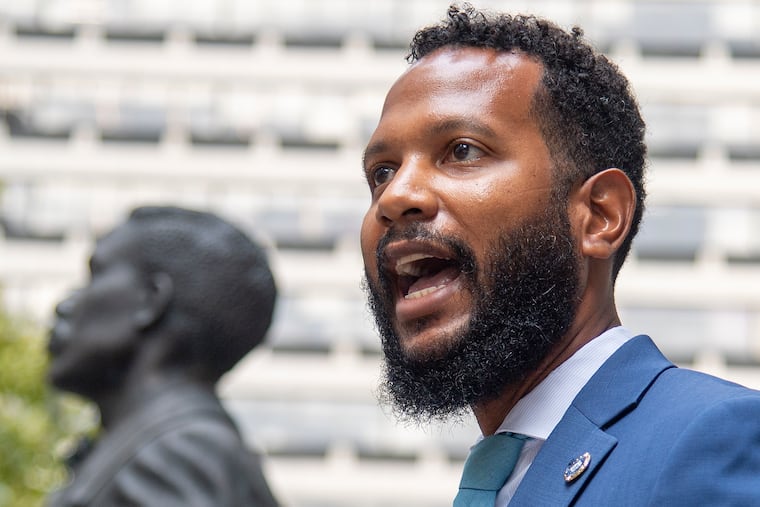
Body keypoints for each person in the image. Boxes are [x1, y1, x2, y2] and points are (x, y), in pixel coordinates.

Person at [360, 4, 760, 506]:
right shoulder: (509, 480)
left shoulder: (719, 439)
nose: (395, 196)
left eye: (461, 150)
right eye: (381, 172)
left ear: (599, 216)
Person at [46, 206, 279, 507]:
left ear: (150, 300)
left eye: (96, 275)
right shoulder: (161, 446)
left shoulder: (177, 451)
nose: (64, 305)